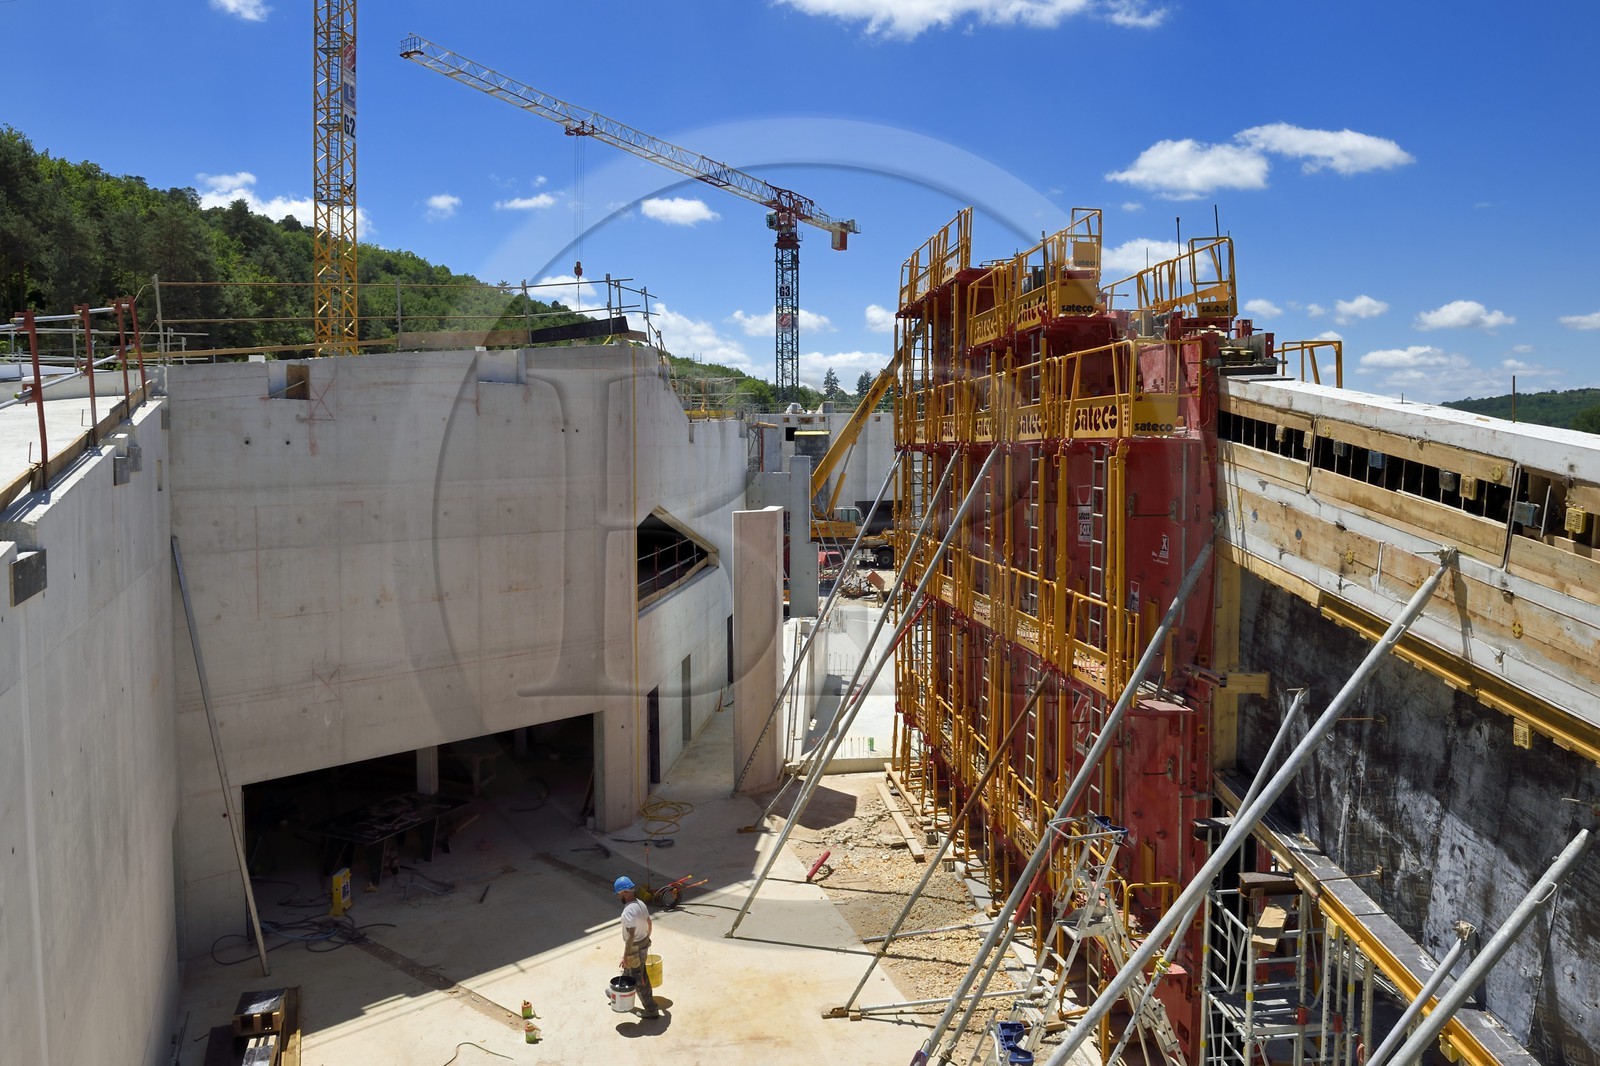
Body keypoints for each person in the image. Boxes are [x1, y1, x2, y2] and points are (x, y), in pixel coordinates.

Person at [613, 876, 661, 1019]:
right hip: (644, 941)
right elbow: (649, 923)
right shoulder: (641, 904)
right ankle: (616, 992)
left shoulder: (628, 912)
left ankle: (651, 1010)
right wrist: (646, 938)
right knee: (630, 971)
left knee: (640, 980)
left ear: (624, 892)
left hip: (634, 947)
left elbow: (630, 937)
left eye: (619, 894)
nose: (618, 897)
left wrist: (625, 956)